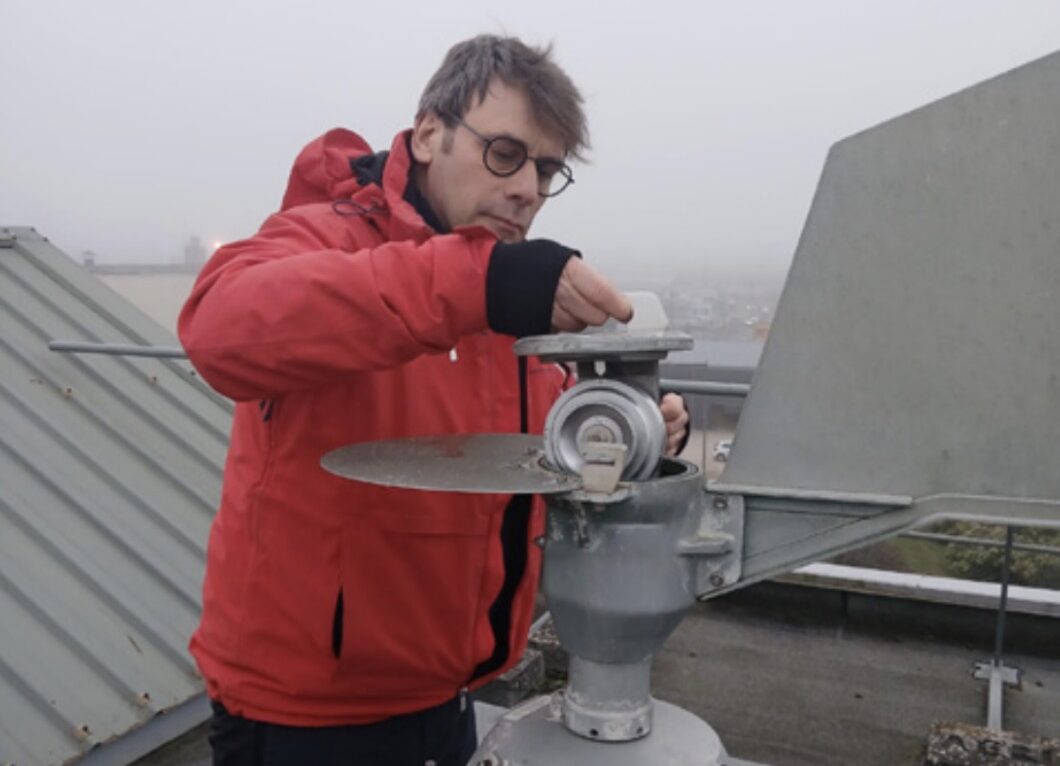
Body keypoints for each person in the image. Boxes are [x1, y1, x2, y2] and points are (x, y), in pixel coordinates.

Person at [178, 34, 689, 766]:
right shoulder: (329, 240)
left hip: (450, 701)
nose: (527, 189)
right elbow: (219, 328)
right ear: (428, 135)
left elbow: (538, 445)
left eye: (547, 170)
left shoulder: (501, 298)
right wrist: (478, 282)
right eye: (506, 154)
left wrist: (638, 427)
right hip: (306, 722)